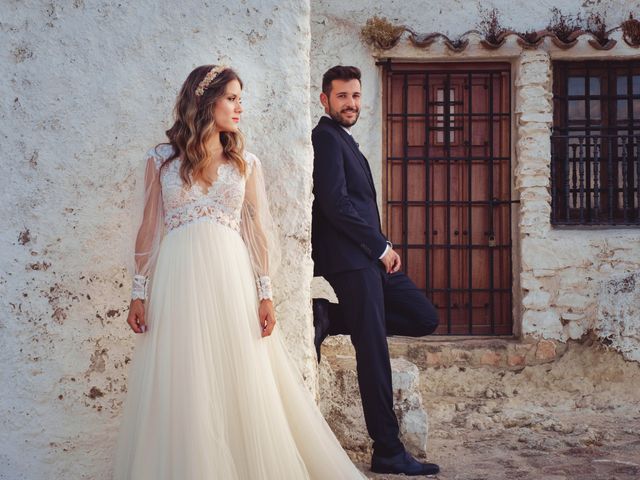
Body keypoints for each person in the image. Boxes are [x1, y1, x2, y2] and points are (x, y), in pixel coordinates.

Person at [113, 64, 366, 480]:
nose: (239, 107)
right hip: (178, 279)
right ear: (204, 100)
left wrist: (265, 293)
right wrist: (138, 291)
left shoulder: (246, 162)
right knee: (185, 376)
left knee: (241, 375)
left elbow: (256, 232)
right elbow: (149, 226)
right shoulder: (161, 160)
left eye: (240, 99)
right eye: (231, 98)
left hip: (231, 278)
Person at [311, 65, 441, 476]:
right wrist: (380, 246)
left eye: (355, 95)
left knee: (424, 317)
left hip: (368, 258)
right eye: (342, 96)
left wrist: (379, 249)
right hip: (351, 260)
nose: (351, 103)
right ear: (325, 100)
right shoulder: (326, 138)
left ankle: (329, 316)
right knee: (374, 353)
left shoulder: (344, 139)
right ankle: (387, 449)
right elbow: (334, 203)